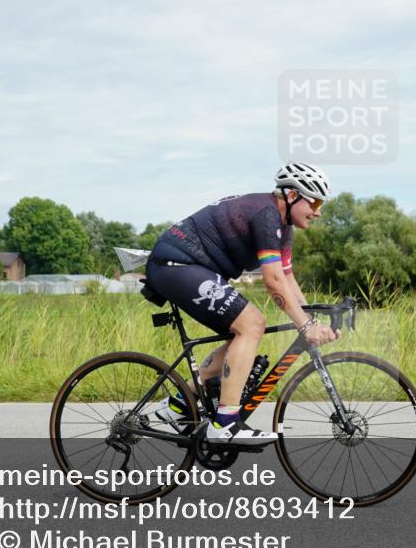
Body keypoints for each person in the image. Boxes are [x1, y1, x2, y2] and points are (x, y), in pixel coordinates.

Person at [145, 162, 340, 444]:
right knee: (251, 324)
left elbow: (286, 278)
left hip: (191, 268)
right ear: (294, 196)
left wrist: (311, 316)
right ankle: (224, 424)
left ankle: (178, 405)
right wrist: (305, 324)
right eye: (316, 201)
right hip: (177, 264)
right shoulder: (266, 215)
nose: (319, 211)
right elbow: (272, 282)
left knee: (243, 334)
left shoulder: (283, 227)